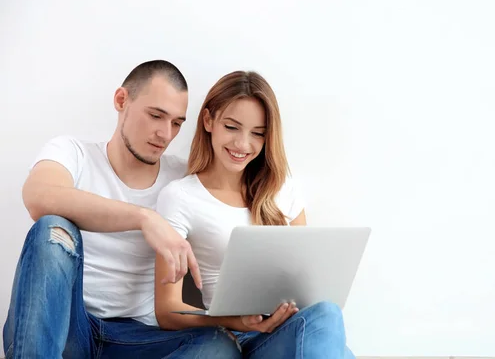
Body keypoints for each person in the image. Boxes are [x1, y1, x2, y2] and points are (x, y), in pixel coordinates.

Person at [2, 60, 242, 358]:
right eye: (156, 115)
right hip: (67, 327)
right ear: (121, 100)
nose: (165, 134)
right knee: (52, 229)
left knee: (219, 346)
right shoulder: (72, 153)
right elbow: (38, 197)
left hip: (139, 338)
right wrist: (144, 218)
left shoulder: (184, 182)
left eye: (177, 123)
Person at [153, 70, 355, 358]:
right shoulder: (180, 197)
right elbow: (167, 311)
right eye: (232, 127)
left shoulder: (281, 188)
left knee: (326, 314)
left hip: (288, 331)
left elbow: (310, 281)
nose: (243, 145)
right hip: (236, 340)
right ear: (209, 121)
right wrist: (235, 321)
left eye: (258, 133)